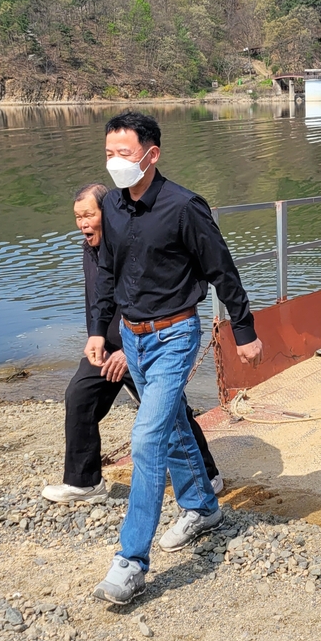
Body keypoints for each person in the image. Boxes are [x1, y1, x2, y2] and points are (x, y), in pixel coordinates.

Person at [88, 111, 263, 604]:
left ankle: (129, 563)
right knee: (172, 426)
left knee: (146, 438)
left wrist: (244, 330)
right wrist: (100, 333)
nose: (115, 163)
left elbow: (221, 268)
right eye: (108, 154)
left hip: (174, 335)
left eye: (123, 153)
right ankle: (204, 506)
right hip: (132, 335)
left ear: (151, 154)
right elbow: (106, 273)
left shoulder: (184, 207)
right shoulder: (114, 208)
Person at [41, 183, 221, 505]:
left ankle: (206, 475)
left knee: (170, 412)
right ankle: (85, 484)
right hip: (105, 348)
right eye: (77, 217)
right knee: (79, 397)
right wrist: (95, 337)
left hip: (139, 346)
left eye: (88, 216)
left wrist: (129, 351)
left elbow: (149, 303)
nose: (82, 224)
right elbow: (98, 299)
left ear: (107, 214)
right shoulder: (90, 248)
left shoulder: (130, 246)